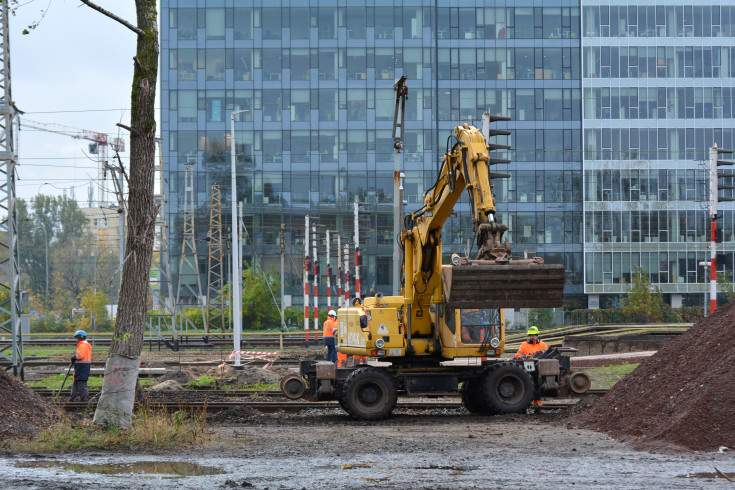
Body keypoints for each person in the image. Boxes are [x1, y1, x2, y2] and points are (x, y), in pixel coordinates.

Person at [515, 326, 548, 413]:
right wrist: (524, 356)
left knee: (537, 388)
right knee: (526, 389)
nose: (532, 337)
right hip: (525, 371)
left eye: (533, 335)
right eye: (530, 335)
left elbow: (548, 356)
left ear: (537, 335)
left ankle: (537, 408)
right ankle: (524, 407)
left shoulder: (542, 345)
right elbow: (517, 357)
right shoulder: (524, 345)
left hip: (538, 371)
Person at [69, 330, 92, 402]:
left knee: (81, 384)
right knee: (76, 382)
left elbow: (80, 356)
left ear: (80, 337)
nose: (76, 339)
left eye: (76, 337)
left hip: (82, 367)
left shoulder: (82, 345)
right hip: (82, 366)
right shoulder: (85, 344)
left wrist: (73, 357)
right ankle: (72, 399)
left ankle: (85, 399)